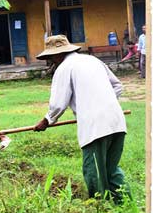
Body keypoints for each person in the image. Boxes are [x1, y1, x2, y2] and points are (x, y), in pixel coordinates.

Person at [33, 35, 127, 202]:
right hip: (117, 121)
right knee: (112, 169)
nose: (51, 61)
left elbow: (58, 104)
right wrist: (103, 102)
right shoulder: (92, 60)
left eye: (51, 57)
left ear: (57, 55)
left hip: (95, 127)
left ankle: (101, 209)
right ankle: (125, 204)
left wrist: (46, 121)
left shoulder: (64, 68)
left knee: (94, 171)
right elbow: (118, 85)